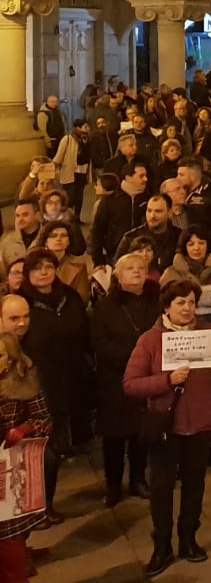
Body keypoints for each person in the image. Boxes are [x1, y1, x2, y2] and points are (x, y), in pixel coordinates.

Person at [123, 279, 211, 576]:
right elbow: (131, 384)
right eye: (180, 302)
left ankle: (188, 539)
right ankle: (162, 545)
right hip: (165, 426)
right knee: (161, 488)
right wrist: (166, 381)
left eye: (191, 302)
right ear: (167, 306)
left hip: (200, 423)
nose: (187, 308)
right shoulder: (150, 339)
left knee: (195, 484)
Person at [20, 247, 89, 522]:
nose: (44, 272)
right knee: (38, 453)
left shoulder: (69, 297)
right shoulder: (21, 302)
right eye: (37, 268)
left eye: (48, 266)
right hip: (34, 388)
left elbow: (83, 332)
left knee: (55, 450)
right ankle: (30, 508)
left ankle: (45, 504)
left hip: (66, 384)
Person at [91, 253, 161, 507]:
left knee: (140, 433)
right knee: (114, 437)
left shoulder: (156, 302)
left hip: (147, 379)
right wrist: (136, 358)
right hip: (114, 380)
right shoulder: (104, 307)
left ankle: (138, 479)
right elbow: (100, 344)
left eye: (141, 268)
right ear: (117, 276)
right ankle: (112, 485)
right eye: (129, 268)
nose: (135, 271)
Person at [0, 332, 50, 580]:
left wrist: (23, 430)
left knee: (9, 538)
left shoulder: (25, 382)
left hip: (10, 469)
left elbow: (44, 421)